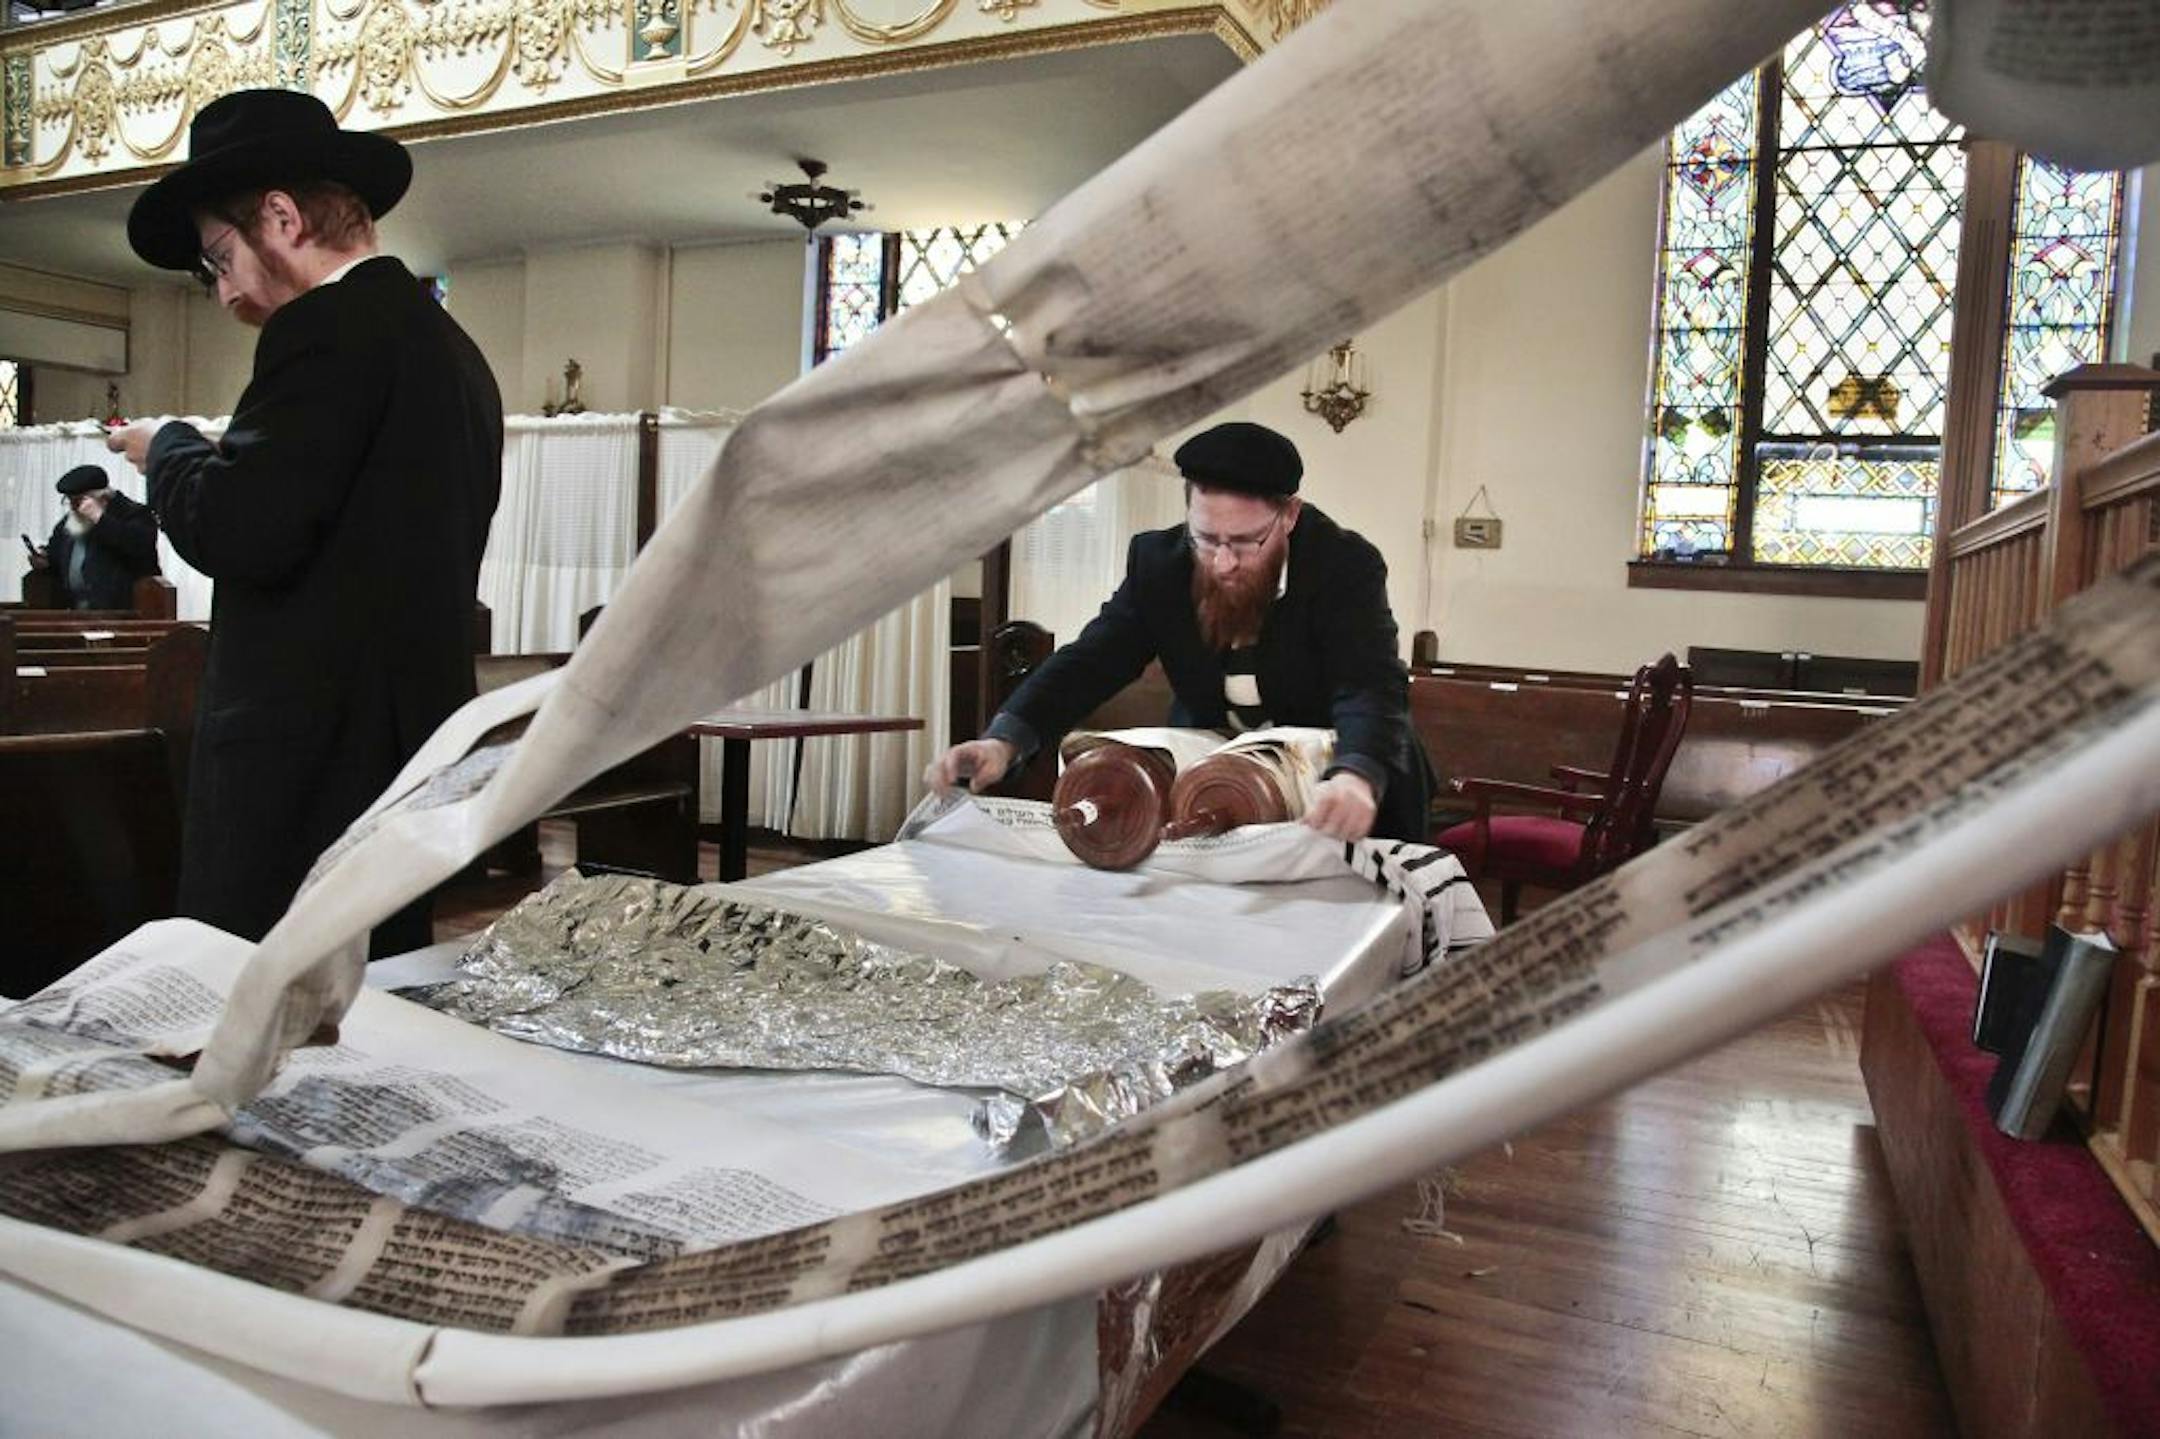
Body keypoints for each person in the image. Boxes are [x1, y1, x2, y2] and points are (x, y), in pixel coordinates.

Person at [106, 89, 503, 958]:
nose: (221, 294)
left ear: (280, 217)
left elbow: (239, 530)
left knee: (254, 1002)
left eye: (216, 259)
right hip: (398, 747)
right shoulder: (447, 346)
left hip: (303, 759)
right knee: (363, 1004)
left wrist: (166, 447)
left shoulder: (324, 329)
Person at [927, 421, 1431, 844]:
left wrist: (1357, 774)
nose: (1225, 562)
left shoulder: (1344, 564)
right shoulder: (1159, 564)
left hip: (1337, 779)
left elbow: (1368, 682)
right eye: (1206, 539)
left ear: (1290, 516)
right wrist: (1005, 740)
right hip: (1213, 776)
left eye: (1246, 542)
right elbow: (1092, 660)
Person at [27, 465, 161, 610]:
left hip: (121, 612)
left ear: (103, 498)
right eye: (69, 501)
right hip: (74, 610)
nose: (73, 508)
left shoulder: (135, 514)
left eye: (78, 502)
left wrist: (99, 518)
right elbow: (56, 556)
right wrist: (44, 560)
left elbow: (138, 548)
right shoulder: (70, 521)